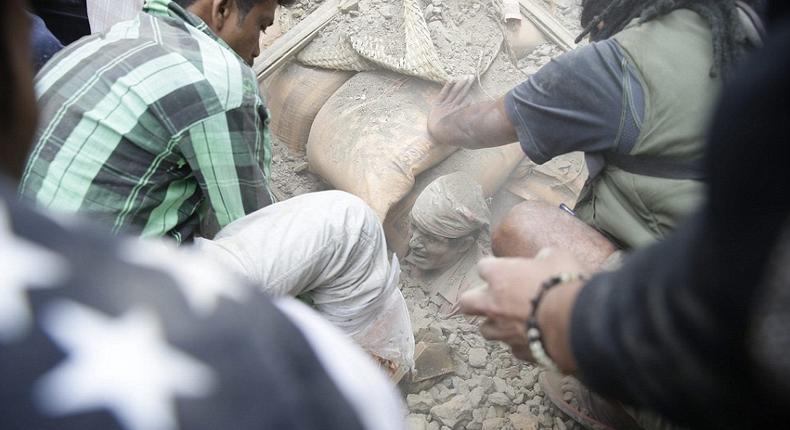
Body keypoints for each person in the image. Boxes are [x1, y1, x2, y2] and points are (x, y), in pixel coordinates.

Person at [0, 1, 406, 429]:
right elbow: (248, 219)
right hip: (117, 298)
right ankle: (375, 387)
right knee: (348, 223)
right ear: (223, 9)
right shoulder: (222, 79)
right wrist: (302, 314)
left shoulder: (107, 40)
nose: (258, 45)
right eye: (262, 26)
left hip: (41, 266)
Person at [459, 1, 790, 428]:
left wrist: (559, 317)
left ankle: (615, 407)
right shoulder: (756, 42)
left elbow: (727, 320)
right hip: (721, 295)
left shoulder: (624, 62)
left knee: (526, 229)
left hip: (709, 387)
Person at [428, 0, 766, 268]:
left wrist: (440, 123)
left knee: (525, 229)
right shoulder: (754, 36)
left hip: (699, 304)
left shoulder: (618, 66)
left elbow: (482, 124)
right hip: (766, 291)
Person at [405, 172, 490, 314]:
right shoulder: (419, 244)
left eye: (431, 239)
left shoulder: (477, 300)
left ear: (464, 245)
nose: (413, 243)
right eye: (413, 226)